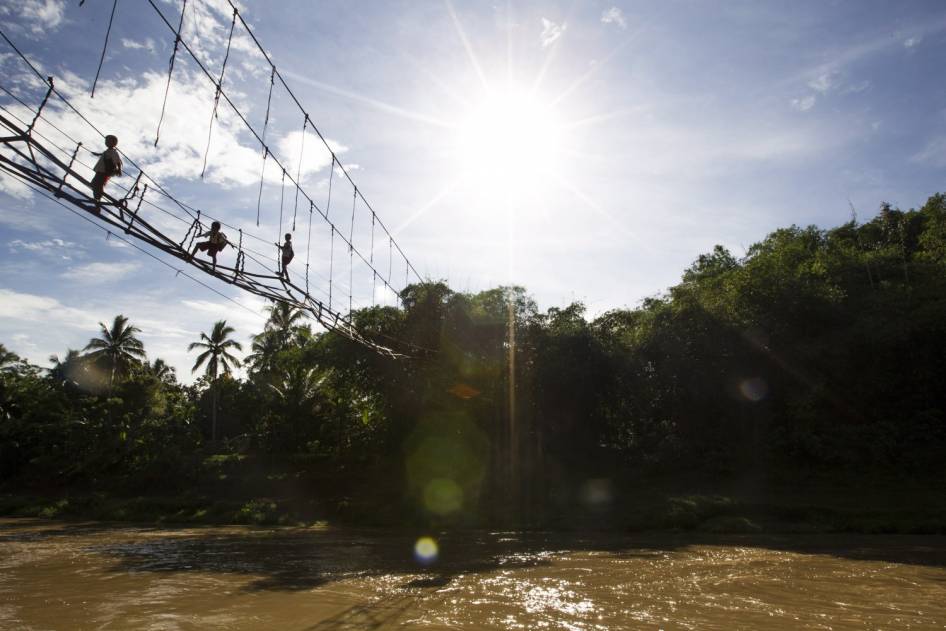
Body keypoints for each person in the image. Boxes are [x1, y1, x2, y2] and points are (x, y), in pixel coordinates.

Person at [90, 134, 122, 212]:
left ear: (113, 143)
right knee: (94, 184)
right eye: (106, 141)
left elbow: (118, 161)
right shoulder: (108, 151)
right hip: (101, 171)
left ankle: (97, 205)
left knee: (97, 184)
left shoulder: (114, 152)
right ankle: (97, 202)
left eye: (107, 141)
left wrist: (119, 169)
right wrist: (97, 154)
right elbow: (104, 154)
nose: (106, 142)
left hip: (104, 172)